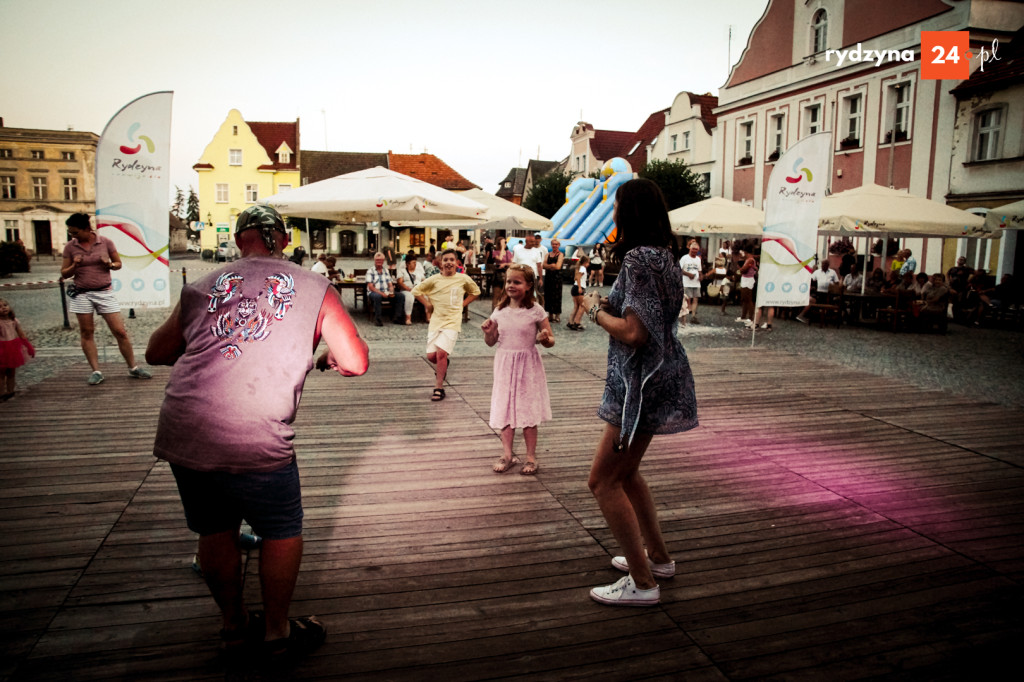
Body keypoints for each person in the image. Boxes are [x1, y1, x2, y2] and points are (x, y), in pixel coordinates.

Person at [146, 205, 369, 666]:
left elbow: (156, 352)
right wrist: (322, 354)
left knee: (215, 528)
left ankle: (233, 628)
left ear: (239, 240)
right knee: (280, 530)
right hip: (256, 433)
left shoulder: (203, 284)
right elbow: (356, 362)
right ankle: (275, 633)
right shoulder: (313, 285)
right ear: (280, 239)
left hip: (186, 428)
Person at [581, 178, 697, 607]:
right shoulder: (665, 257)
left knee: (602, 480)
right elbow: (642, 314)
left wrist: (594, 311)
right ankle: (659, 559)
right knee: (626, 474)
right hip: (662, 375)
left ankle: (644, 583)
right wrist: (608, 304)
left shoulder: (638, 259)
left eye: (616, 206)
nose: (612, 214)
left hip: (640, 383)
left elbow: (634, 332)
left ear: (629, 213)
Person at [60, 213, 152, 385]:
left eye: (76, 232)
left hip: (104, 292)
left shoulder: (106, 242)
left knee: (120, 332)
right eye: (70, 233)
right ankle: (96, 371)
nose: (73, 236)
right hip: (81, 293)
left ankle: (133, 367)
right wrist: (75, 265)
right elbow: (64, 273)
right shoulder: (70, 247)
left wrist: (108, 264)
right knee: (87, 332)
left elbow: (118, 264)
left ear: (87, 229)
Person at [482, 264, 554, 476]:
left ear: (529, 286)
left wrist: (544, 338)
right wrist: (488, 332)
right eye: (509, 282)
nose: (511, 285)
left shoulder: (536, 310)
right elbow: (491, 341)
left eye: (517, 282)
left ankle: (531, 457)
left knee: (527, 409)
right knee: (506, 408)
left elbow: (550, 339)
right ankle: (507, 454)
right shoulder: (500, 310)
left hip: (527, 366)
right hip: (505, 363)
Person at [411, 249, 481, 401]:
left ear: (457, 262)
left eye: (451, 260)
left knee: (441, 352)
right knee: (431, 356)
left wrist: (463, 305)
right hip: (437, 321)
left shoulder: (463, 278)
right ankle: (444, 365)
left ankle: (439, 387)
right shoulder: (434, 279)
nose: (448, 262)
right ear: (440, 263)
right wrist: (427, 304)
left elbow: (475, 292)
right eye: (445, 260)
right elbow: (416, 290)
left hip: (452, 321)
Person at [0, 298, 35, 401]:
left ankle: (10, 391)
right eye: (0, 307)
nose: (3, 308)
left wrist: (28, 346)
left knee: (11, 371)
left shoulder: (13, 320)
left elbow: (21, 333)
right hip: (1, 348)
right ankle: (1, 393)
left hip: (12, 348)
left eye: (5, 305)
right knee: (1, 373)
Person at [365, 251, 404, 326]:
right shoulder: (370, 271)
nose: (378, 262)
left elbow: (390, 284)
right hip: (374, 292)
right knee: (377, 297)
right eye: (377, 260)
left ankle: (397, 317)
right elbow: (371, 287)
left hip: (386, 292)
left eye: (380, 260)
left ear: (383, 261)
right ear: (374, 261)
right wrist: (381, 293)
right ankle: (378, 319)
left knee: (400, 296)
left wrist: (391, 290)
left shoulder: (386, 271)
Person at [396, 250, 425, 325]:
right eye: (414, 263)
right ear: (408, 264)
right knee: (410, 297)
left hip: (418, 290)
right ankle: (408, 318)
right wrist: (408, 288)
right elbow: (400, 282)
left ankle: (428, 317)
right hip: (407, 290)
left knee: (427, 296)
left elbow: (424, 281)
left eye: (415, 263)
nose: (415, 265)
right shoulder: (402, 271)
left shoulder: (418, 271)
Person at [679, 241, 702, 324]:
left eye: (696, 249)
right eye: (693, 249)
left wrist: (701, 276)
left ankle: (693, 316)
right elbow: (679, 270)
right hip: (686, 282)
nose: (694, 251)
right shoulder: (684, 258)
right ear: (690, 248)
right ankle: (683, 319)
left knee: (695, 299)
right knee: (685, 300)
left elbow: (699, 270)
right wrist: (688, 274)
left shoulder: (698, 259)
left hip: (696, 283)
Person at [542, 238, 565, 323]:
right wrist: (551, 266)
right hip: (548, 278)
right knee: (548, 295)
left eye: (556, 244)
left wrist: (549, 266)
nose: (554, 245)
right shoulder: (548, 254)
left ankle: (557, 314)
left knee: (557, 296)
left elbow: (558, 266)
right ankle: (550, 314)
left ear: (559, 245)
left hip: (557, 278)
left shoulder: (560, 254)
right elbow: (543, 265)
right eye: (553, 244)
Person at [736, 248, 758, 325]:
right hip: (744, 279)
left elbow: (743, 270)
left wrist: (739, 268)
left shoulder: (750, 260)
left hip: (749, 280)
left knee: (748, 299)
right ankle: (743, 316)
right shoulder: (747, 259)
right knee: (744, 298)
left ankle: (751, 318)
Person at [568, 255, 589, 331]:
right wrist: (580, 287)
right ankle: (577, 322)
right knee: (582, 306)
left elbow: (575, 278)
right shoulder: (583, 268)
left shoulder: (578, 268)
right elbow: (578, 278)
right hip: (579, 287)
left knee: (576, 306)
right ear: (586, 262)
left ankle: (571, 322)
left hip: (574, 287)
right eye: (588, 263)